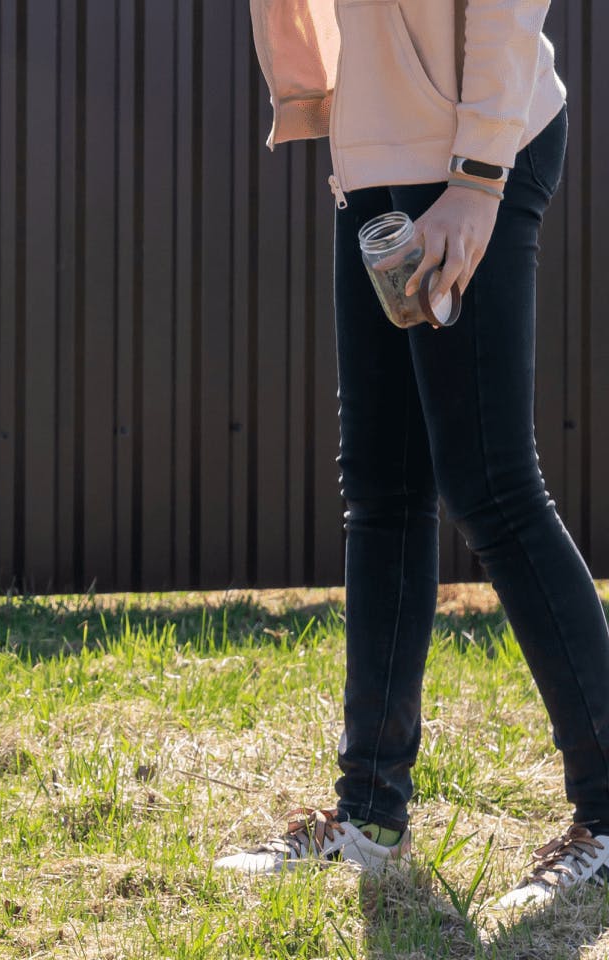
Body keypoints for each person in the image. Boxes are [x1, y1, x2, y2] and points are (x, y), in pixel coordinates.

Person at [214, 0, 609, 909]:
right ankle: (370, 816)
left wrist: (476, 178)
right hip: (376, 154)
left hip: (475, 151)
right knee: (384, 492)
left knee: (493, 488)